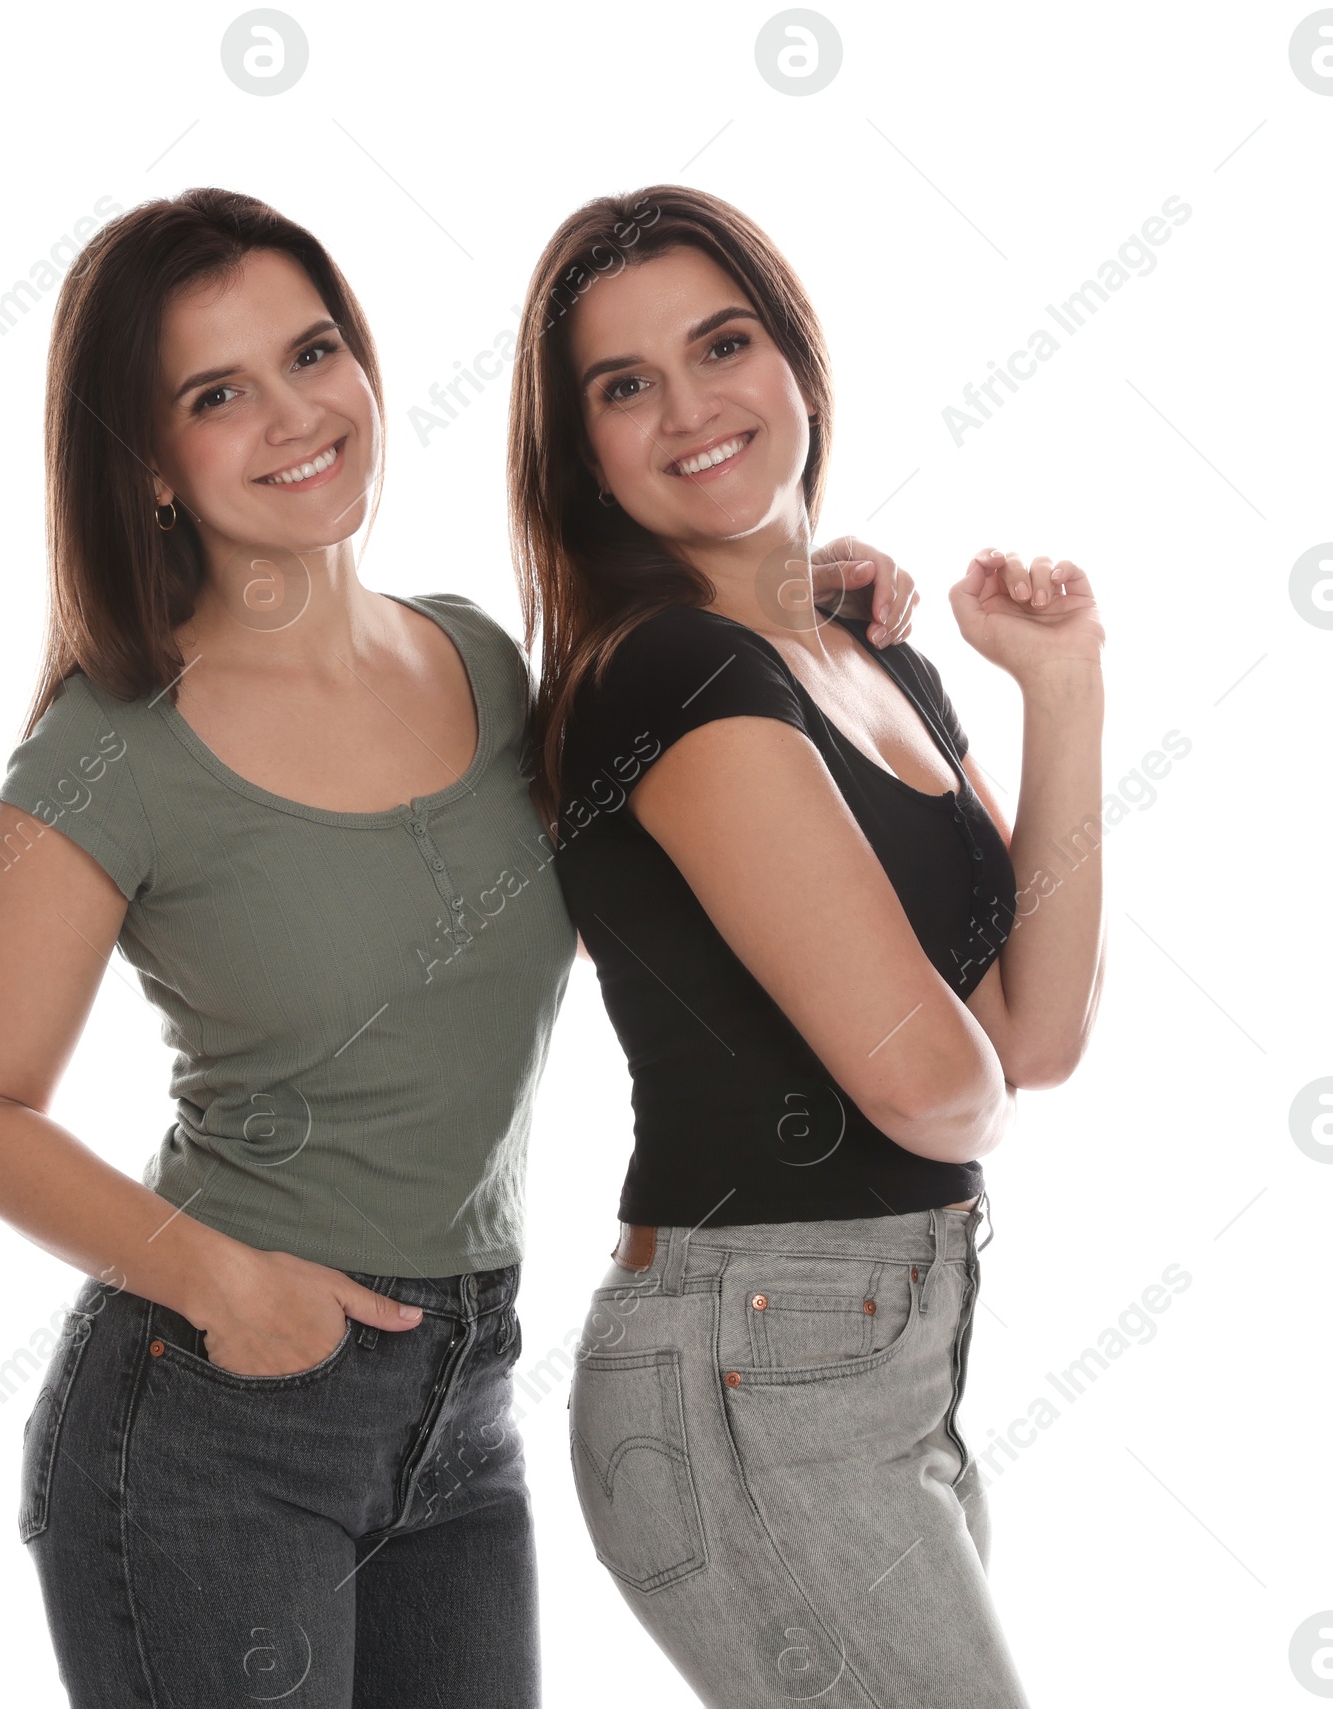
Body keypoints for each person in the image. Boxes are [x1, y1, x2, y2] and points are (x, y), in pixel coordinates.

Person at [0, 186, 917, 1709]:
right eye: (215, 393)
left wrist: (806, 603)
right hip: (214, 1420)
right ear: (151, 463)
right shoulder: (110, 744)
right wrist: (227, 1286)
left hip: (468, 1405)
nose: (294, 414)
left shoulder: (484, 657)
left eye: (314, 353)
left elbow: (684, 753)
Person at [508, 185, 1106, 1707]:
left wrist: (1062, 689)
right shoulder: (671, 669)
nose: (692, 408)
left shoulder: (869, 647)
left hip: (879, 1347)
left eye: (724, 345)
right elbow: (929, 1083)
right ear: (579, 451)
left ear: (797, 359)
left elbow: (1031, 1035)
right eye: (624, 386)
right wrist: (952, 1063)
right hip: (750, 1354)